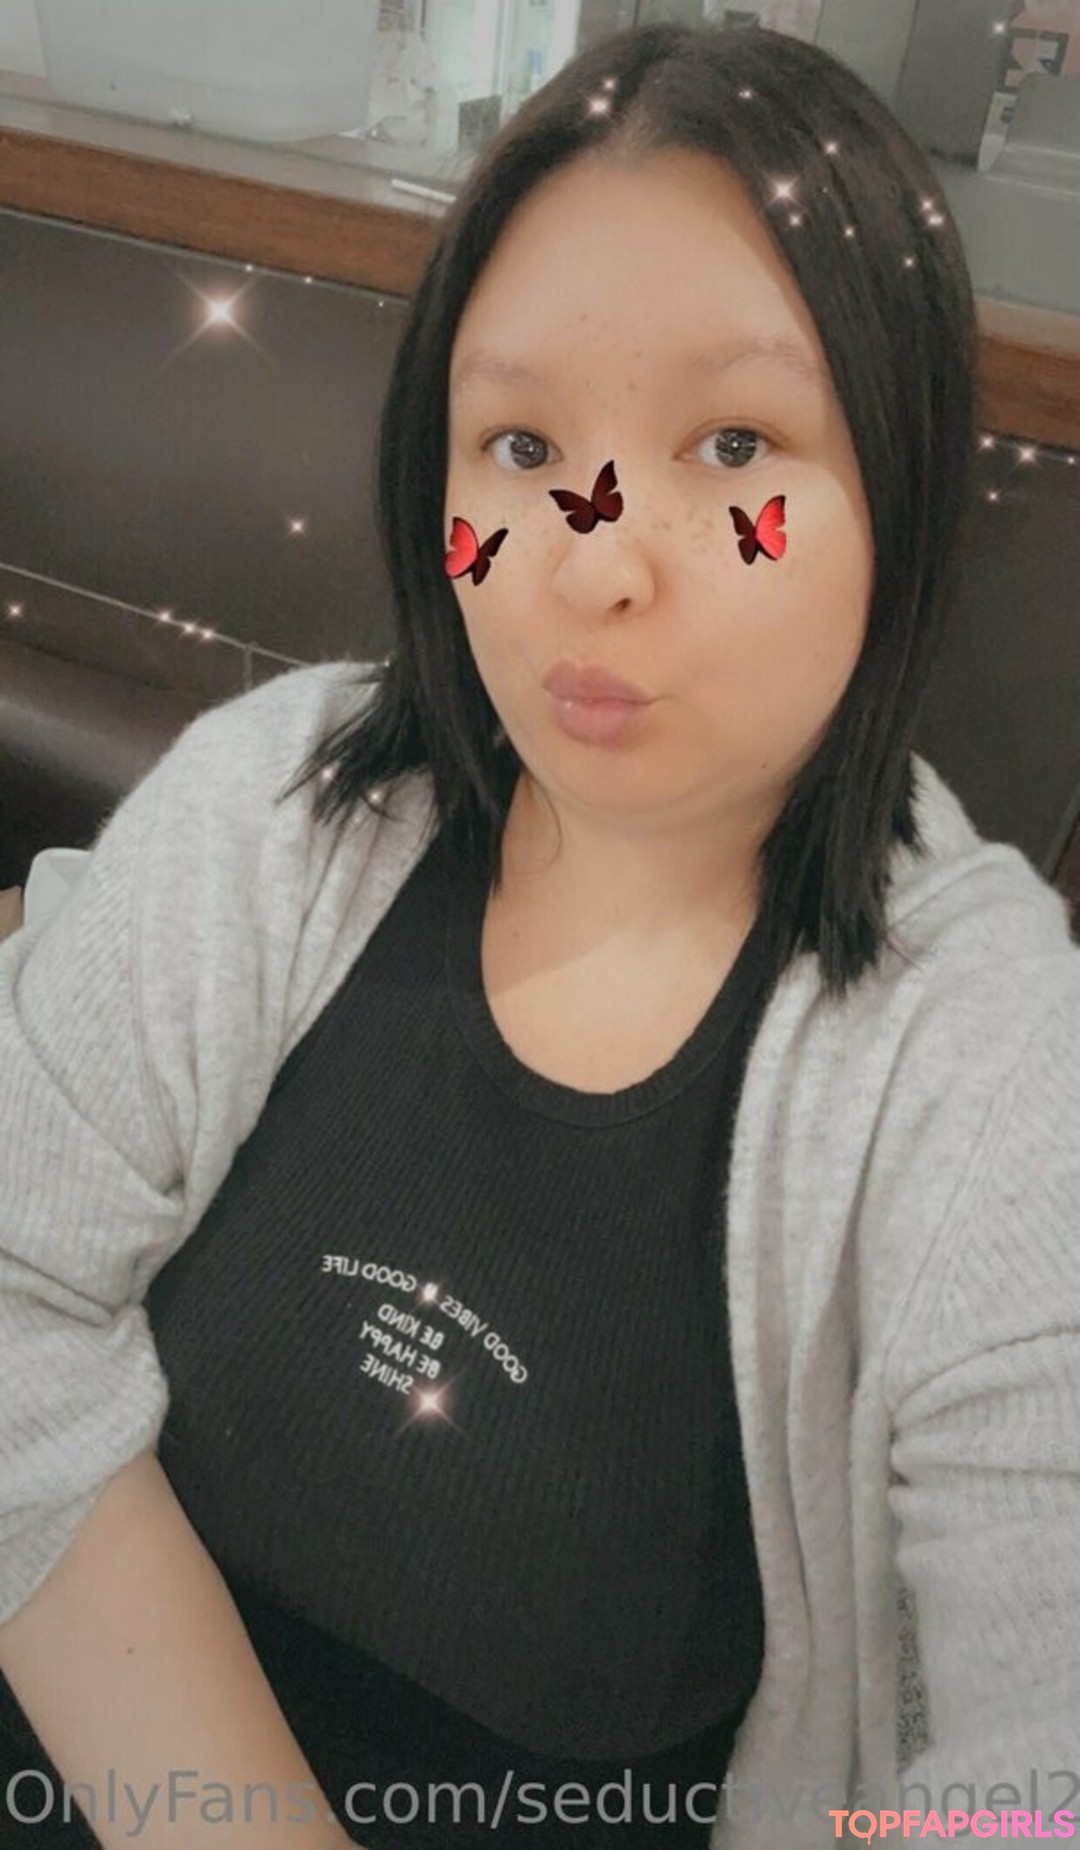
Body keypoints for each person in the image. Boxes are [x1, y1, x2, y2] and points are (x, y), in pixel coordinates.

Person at [1, 18, 1079, 1850]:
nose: (593, 560)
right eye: (520, 443)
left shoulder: (987, 1066)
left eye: (732, 444)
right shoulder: (276, 808)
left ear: (895, 489)